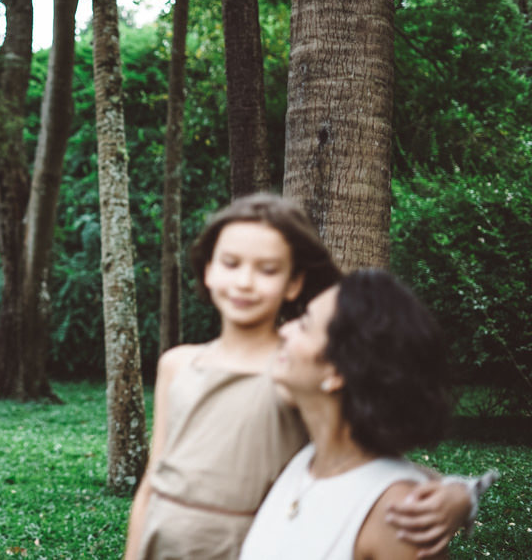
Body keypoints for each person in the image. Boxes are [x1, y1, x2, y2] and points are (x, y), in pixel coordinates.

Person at [123, 193, 475, 560]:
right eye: (230, 263)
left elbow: (361, 455)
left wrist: (457, 493)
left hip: (239, 545)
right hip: (158, 539)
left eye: (267, 269)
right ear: (208, 269)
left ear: (293, 283)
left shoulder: (297, 369)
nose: (244, 282)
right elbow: (151, 481)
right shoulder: (178, 363)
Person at [240, 269, 498, 559]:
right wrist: (461, 491)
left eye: (304, 325)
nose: (284, 330)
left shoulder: (399, 518)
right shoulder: (303, 462)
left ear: (337, 372)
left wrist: (460, 496)